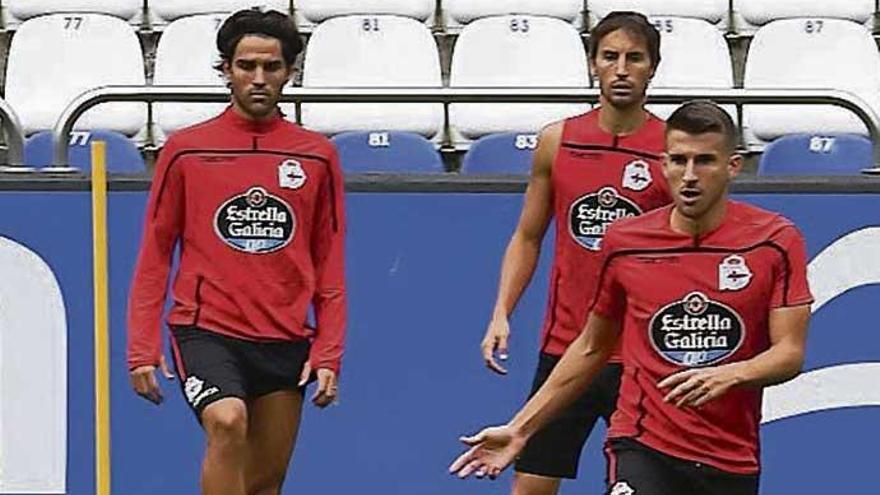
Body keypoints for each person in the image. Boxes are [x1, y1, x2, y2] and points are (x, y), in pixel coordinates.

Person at [452, 100, 813, 495]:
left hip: (730, 456)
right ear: (663, 165)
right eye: (678, 161)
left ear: (733, 166)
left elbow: (789, 354)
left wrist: (731, 374)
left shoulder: (775, 241)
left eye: (705, 161)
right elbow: (592, 346)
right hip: (642, 443)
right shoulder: (624, 243)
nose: (689, 175)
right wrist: (520, 429)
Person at [127, 9, 346, 495]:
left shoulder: (316, 155)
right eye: (247, 66)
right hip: (208, 331)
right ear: (226, 69)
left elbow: (329, 261)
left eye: (272, 67)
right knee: (227, 420)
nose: (259, 78)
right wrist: (142, 346)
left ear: (290, 71)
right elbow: (156, 254)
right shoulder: (186, 151)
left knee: (263, 485)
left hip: (286, 337)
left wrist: (329, 349)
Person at [479, 12, 670, 494]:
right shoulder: (557, 140)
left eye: (634, 58)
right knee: (530, 486)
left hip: (640, 357)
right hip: (567, 348)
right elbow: (528, 236)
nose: (621, 68)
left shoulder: (673, 151)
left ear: (653, 67)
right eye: (610, 57)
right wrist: (502, 311)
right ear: (593, 65)